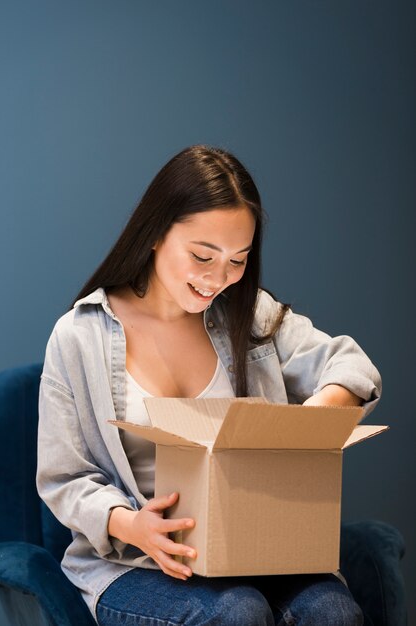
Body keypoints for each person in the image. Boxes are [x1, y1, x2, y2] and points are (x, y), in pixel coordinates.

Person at [37, 144, 381, 626]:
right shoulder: (79, 336)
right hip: (134, 562)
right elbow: (65, 479)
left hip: (253, 547)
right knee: (236, 612)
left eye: (237, 260)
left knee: (333, 611)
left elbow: (350, 365)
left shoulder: (249, 314)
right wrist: (133, 525)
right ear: (155, 233)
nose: (218, 279)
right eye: (203, 255)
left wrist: (308, 423)